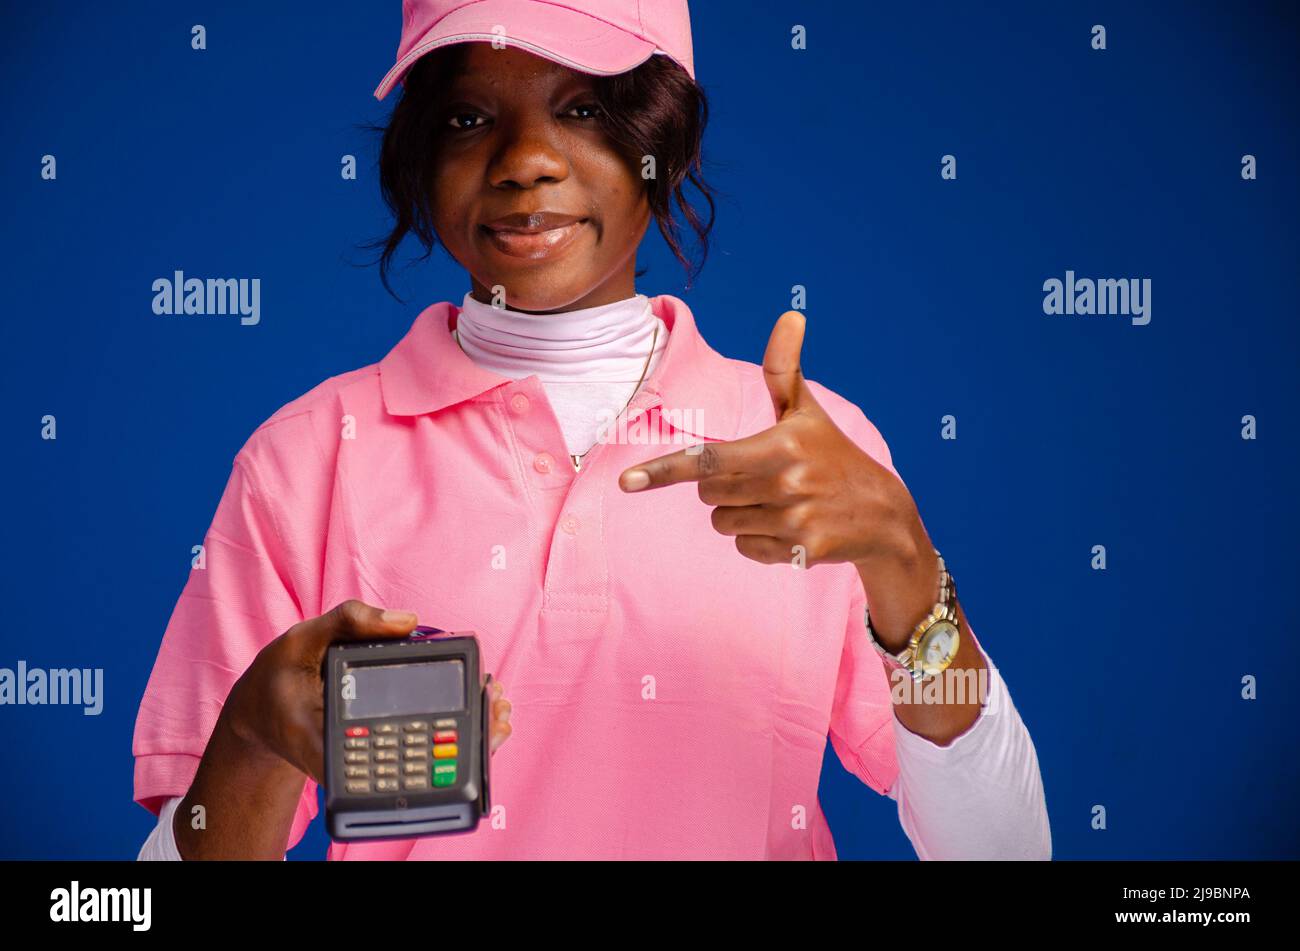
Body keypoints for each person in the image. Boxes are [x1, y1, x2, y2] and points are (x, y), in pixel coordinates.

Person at [135, 0, 1050, 861]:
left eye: (582, 108)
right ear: (420, 156)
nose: (525, 159)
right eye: (466, 118)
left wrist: (903, 561)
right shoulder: (301, 462)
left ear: (665, 137)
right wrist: (253, 734)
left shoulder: (808, 451)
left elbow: (1008, 849)